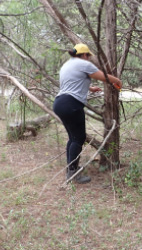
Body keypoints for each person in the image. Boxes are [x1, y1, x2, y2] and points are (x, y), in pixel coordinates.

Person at [53, 43, 122, 184]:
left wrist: (90, 89)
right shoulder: (83, 63)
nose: (89, 58)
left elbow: (71, 82)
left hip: (60, 103)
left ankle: (71, 170)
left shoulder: (68, 64)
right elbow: (104, 77)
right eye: (88, 56)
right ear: (84, 55)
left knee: (73, 138)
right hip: (71, 104)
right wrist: (117, 80)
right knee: (79, 138)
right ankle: (73, 173)